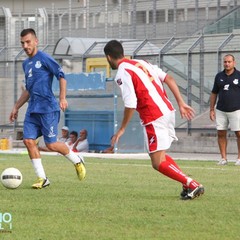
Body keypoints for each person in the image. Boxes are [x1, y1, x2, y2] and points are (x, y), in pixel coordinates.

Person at [104, 40, 204, 200]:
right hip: (167, 110)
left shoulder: (122, 73)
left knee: (157, 162)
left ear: (108, 57)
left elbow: (130, 104)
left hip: (153, 116)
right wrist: (181, 102)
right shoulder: (141, 63)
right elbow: (169, 78)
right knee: (159, 156)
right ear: (122, 53)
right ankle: (187, 184)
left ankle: (192, 183)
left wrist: (122, 129)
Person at [9, 28, 86, 189]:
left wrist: (63, 98)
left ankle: (77, 160)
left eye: (28, 42)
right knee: (28, 141)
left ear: (36, 41)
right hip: (32, 110)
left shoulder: (44, 59)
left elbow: (61, 76)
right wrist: (16, 106)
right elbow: (29, 90)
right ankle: (42, 178)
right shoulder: (25, 64)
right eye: (22, 43)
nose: (25, 45)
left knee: (51, 144)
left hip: (48, 109)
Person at [210, 54, 240, 166]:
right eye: (225, 62)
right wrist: (211, 109)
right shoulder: (219, 76)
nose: (227, 64)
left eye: (229, 62)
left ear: (234, 63)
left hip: (236, 110)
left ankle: (239, 158)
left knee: (239, 133)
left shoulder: (239, 75)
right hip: (221, 110)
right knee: (221, 133)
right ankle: (223, 158)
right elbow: (214, 93)